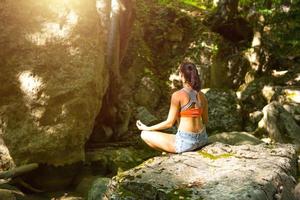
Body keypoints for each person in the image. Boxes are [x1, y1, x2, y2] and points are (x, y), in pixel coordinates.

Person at [136, 62, 208, 153]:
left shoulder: (177, 95)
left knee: (144, 134)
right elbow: (205, 121)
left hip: (186, 143)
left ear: (181, 75)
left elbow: (169, 123)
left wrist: (147, 128)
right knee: (180, 115)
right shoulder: (202, 95)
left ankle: (170, 152)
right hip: (203, 139)